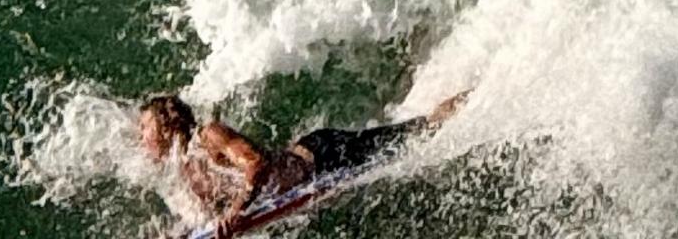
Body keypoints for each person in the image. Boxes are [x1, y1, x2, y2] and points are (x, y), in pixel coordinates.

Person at [138, 90, 470, 238]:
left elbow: (257, 164)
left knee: (420, 131)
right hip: (304, 176)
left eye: (145, 128)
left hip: (322, 155)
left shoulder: (208, 137)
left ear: (166, 126)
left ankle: (471, 99)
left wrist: (237, 211)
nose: (142, 137)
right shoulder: (187, 170)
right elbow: (211, 215)